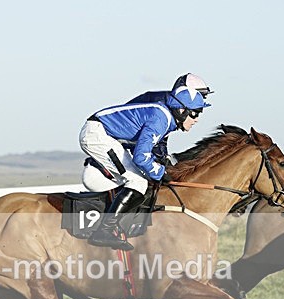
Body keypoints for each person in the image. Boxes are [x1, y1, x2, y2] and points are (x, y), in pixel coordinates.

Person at [80, 78, 211, 250]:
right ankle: (104, 231)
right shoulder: (161, 119)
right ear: (181, 110)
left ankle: (115, 224)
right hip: (97, 135)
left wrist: (160, 169)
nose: (197, 119)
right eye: (195, 113)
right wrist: (161, 173)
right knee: (137, 182)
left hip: (102, 134)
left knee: (139, 180)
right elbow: (141, 157)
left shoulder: (166, 118)